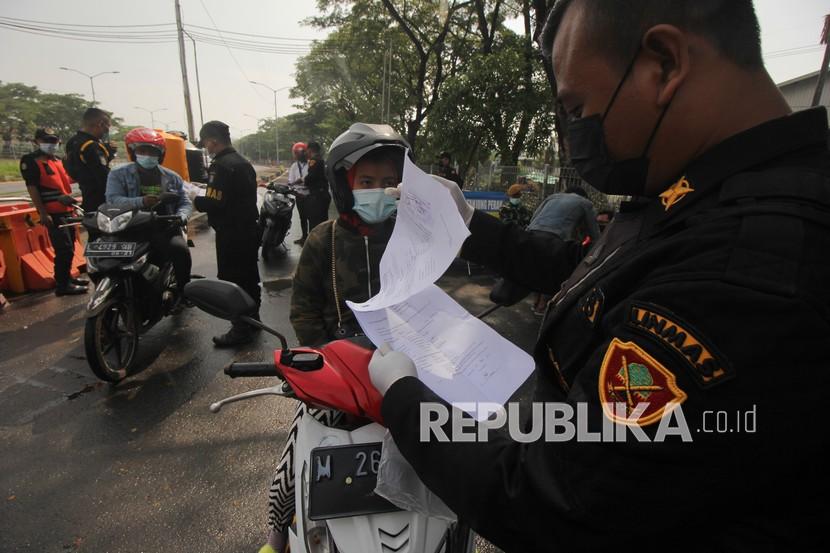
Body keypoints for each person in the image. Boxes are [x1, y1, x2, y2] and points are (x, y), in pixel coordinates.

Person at [367, 1, 830, 550]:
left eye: (577, 107)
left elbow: (550, 501)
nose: (571, 136)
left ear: (664, 62)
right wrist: (470, 225)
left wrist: (402, 399)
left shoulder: (746, 269)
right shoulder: (696, 193)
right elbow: (595, 276)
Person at [259, 123, 408, 553]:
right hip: (334, 380)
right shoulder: (323, 240)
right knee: (293, 463)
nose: (379, 191)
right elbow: (303, 310)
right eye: (367, 182)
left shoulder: (412, 239)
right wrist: (328, 363)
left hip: (403, 377)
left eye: (389, 183)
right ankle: (275, 538)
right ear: (345, 185)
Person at [194, 120, 261, 347]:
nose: (206, 147)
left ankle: (241, 329)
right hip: (249, 230)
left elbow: (215, 201)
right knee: (250, 278)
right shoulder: (243, 162)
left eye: (206, 142)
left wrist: (196, 200)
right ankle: (254, 321)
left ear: (212, 140)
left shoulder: (221, 165)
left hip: (231, 233)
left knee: (234, 281)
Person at [105, 128, 192, 298]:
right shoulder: (118, 174)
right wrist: (141, 202)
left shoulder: (172, 177)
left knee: (180, 251)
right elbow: (112, 200)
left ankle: (184, 292)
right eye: (142, 151)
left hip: (164, 226)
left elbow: (184, 202)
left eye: (152, 151)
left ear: (160, 154)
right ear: (133, 152)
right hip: (129, 228)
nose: (147, 155)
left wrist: (182, 216)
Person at [19, 128, 88, 296]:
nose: (50, 144)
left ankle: (66, 279)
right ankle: (62, 285)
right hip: (53, 212)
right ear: (36, 141)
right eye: (46, 140)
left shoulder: (56, 161)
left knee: (70, 246)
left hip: (67, 211)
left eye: (53, 141)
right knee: (63, 249)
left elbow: (67, 181)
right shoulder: (31, 161)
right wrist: (42, 212)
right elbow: (32, 187)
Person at [64, 108, 114, 215]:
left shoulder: (72, 142)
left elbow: (73, 170)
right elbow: (104, 176)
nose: (107, 131)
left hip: (87, 197)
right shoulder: (91, 146)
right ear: (100, 124)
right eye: (107, 127)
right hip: (101, 201)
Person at [528, 185, 600, 243]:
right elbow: (593, 230)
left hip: (531, 231)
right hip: (555, 236)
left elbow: (534, 216)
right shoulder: (585, 202)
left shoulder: (553, 197)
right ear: (584, 196)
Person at [301, 140, 331, 234]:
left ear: (310, 150)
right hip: (324, 194)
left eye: (306, 150)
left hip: (317, 197)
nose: (306, 153)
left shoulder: (314, 161)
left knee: (314, 223)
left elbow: (311, 177)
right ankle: (324, 245)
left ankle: (315, 245)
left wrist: (304, 180)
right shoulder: (322, 160)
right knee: (323, 222)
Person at [286, 142, 309, 245]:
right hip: (299, 195)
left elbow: (309, 179)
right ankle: (304, 237)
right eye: (296, 153)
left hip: (310, 195)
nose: (297, 155)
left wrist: (300, 181)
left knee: (311, 218)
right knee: (302, 218)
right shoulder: (294, 166)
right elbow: (291, 181)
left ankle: (312, 239)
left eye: (298, 153)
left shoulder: (311, 164)